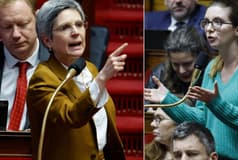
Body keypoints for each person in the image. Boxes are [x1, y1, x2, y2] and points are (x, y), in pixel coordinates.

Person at [144, 0, 238, 159]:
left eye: (218, 22)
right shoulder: (212, 67)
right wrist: (167, 99)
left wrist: (217, 103)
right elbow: (202, 120)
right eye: (206, 22)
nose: (209, 28)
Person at [27, 0, 127, 160]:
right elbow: (70, 116)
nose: (76, 32)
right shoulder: (42, 78)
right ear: (47, 41)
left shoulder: (90, 68)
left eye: (79, 24)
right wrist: (101, 79)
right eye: (65, 27)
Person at [0, 0, 49, 131]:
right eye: (7, 27)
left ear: (37, 19)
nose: (16, 34)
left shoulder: (57, 62)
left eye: (22, 24)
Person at [145, 26, 209, 106]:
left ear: (200, 58)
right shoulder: (159, 72)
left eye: (187, 64)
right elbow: (145, 107)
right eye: (175, 64)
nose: (181, 70)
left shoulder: (211, 75)